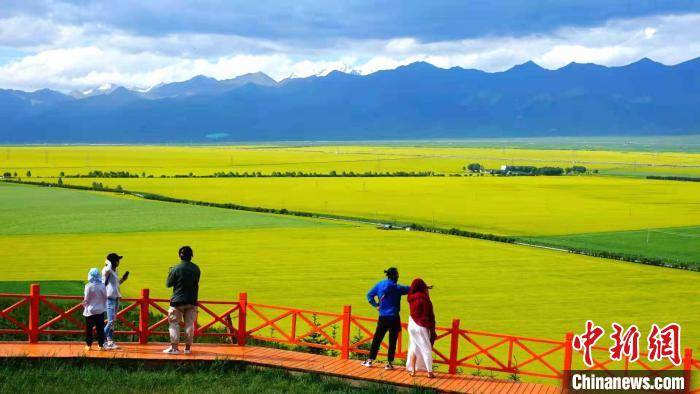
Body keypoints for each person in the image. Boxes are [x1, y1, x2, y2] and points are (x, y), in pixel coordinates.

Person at [362, 267, 410, 370]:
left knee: (377, 338)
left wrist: (376, 305)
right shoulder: (397, 288)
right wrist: (423, 287)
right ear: (394, 276)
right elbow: (409, 288)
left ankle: (370, 360)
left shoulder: (380, 284)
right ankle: (389, 363)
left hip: (383, 316)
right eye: (397, 275)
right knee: (392, 340)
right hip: (394, 317)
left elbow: (369, 295)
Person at [163, 246, 201, 355]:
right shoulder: (196, 268)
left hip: (178, 301)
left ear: (180, 255)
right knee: (190, 325)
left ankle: (174, 348)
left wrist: (170, 272)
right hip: (192, 300)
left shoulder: (176, 268)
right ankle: (188, 348)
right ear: (191, 256)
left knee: (174, 323)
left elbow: (168, 284)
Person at [406, 278, 437, 378]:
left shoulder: (411, 298)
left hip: (412, 326)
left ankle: (413, 371)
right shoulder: (424, 299)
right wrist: (432, 329)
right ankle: (430, 372)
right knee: (426, 348)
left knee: (414, 348)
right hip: (421, 326)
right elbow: (430, 315)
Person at [102, 252, 129, 350]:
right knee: (110, 321)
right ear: (113, 262)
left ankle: (110, 341)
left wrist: (123, 279)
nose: (119, 262)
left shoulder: (115, 270)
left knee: (113, 321)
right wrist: (108, 262)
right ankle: (102, 341)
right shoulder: (106, 270)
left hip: (116, 297)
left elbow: (116, 284)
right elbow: (107, 270)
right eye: (117, 260)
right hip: (109, 298)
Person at [82, 268, 107, 351]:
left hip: (90, 311)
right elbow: (105, 297)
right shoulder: (102, 286)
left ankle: (89, 345)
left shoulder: (88, 286)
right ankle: (101, 345)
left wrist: (84, 304)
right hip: (100, 310)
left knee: (89, 329)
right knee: (100, 329)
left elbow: (86, 299)